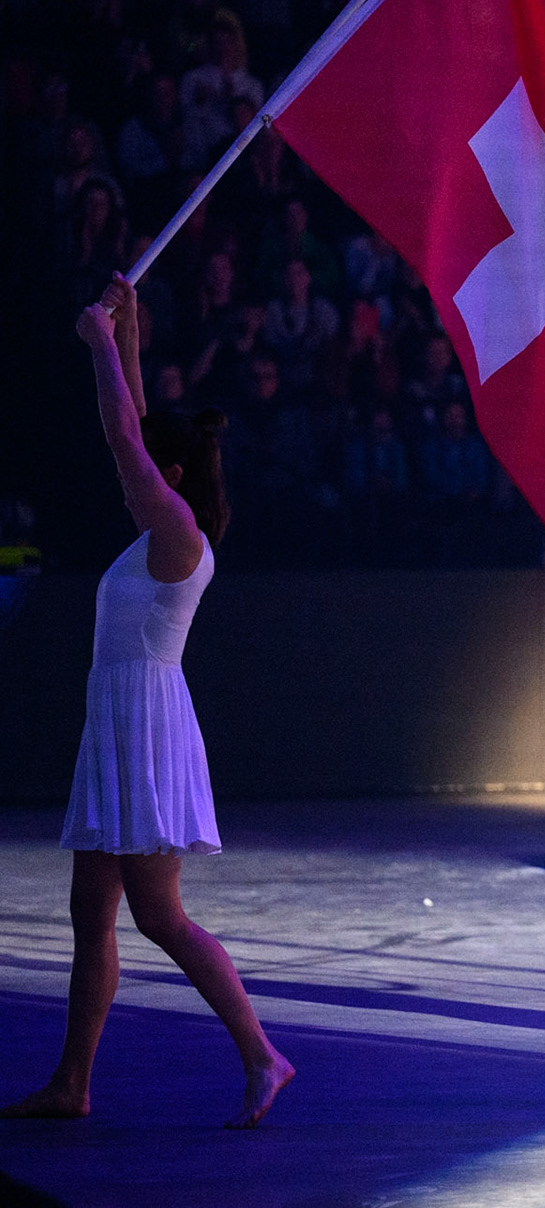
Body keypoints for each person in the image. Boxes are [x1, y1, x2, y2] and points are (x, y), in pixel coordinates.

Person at [3, 277, 293, 1128]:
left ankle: (263, 1055)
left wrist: (99, 344)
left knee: (160, 914)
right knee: (90, 911)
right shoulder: (158, 531)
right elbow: (134, 425)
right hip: (120, 722)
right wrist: (128, 330)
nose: (129, 481)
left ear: (170, 477)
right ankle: (73, 1083)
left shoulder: (178, 535)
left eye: (145, 472)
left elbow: (123, 433)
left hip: (145, 727)